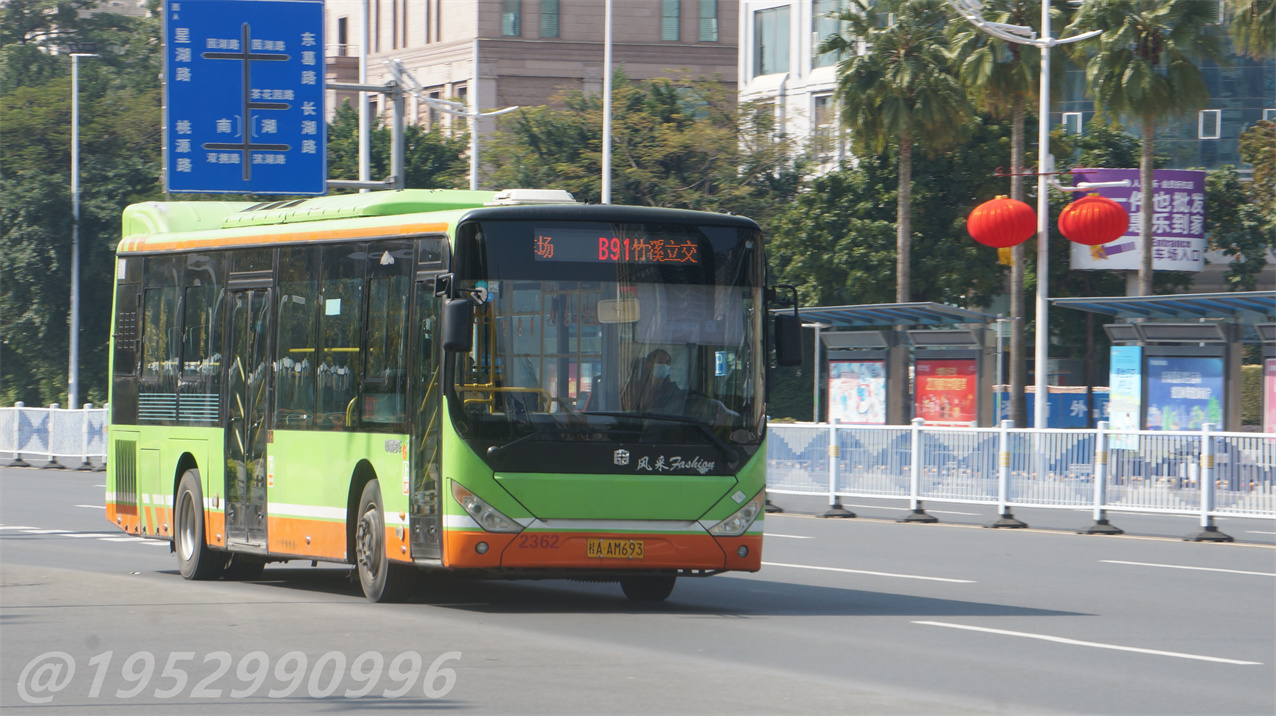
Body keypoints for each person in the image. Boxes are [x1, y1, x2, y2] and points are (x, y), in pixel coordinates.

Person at [622, 349, 687, 415]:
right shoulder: (637, 387)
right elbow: (627, 409)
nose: (664, 365)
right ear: (649, 365)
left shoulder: (673, 389)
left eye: (667, 362)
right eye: (660, 361)